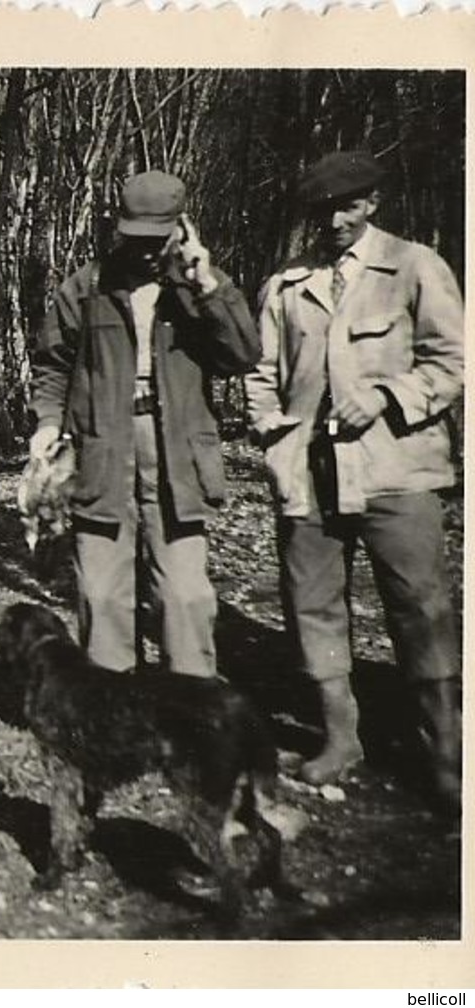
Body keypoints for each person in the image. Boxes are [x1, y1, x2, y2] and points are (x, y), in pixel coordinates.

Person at [246, 150, 463, 815]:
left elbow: (454, 358)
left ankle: (448, 759)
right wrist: (266, 424)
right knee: (311, 603)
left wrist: (388, 396)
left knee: (418, 607)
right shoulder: (286, 283)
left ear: (371, 203)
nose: (333, 221)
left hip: (395, 471)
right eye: (321, 211)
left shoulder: (413, 266)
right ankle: (340, 739)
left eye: (346, 206)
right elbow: (260, 370)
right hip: (308, 474)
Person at [30, 170, 259, 679]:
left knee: (184, 598)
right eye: (137, 239)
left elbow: (243, 355)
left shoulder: (198, 289)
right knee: (101, 595)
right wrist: (47, 424)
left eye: (159, 239)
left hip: (176, 456)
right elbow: (52, 364)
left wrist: (206, 282)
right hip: (102, 453)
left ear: (182, 229)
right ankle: (114, 721)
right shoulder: (87, 286)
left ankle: (191, 717)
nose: (148, 252)